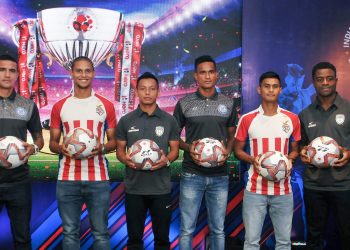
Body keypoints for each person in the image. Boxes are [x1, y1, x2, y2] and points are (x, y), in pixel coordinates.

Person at [49, 56, 116, 249]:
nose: (83, 74)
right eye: (79, 70)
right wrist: (61, 147)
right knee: (70, 233)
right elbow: (53, 143)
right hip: (67, 178)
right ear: (71, 73)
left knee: (101, 234)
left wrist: (102, 148)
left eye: (87, 70)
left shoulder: (105, 105)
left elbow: (114, 141)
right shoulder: (60, 106)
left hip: (98, 179)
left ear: (93, 73)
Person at [173, 55, 238, 250]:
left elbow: (232, 134)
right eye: (203, 72)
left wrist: (227, 150)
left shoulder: (228, 103)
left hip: (219, 176)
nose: (207, 76)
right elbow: (173, 137)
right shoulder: (185, 103)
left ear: (216, 75)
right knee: (186, 229)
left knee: (218, 229)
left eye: (211, 72)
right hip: (192, 173)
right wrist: (189, 148)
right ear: (196, 76)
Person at [234, 71, 301, 250]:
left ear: (280, 89)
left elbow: (295, 150)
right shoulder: (247, 119)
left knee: (284, 243)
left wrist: (290, 159)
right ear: (259, 89)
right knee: (251, 243)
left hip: (283, 191)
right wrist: (253, 160)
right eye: (266, 86)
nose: (270, 90)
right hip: (255, 190)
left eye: (274, 86)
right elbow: (237, 150)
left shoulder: (292, 118)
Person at [116, 72, 180, 250]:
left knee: (162, 240)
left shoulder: (169, 120)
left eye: (152, 89)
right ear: (136, 91)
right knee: (134, 240)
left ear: (158, 92)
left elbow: (174, 150)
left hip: (161, 189)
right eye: (143, 89)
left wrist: (166, 160)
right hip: (134, 189)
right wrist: (126, 160)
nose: (147, 93)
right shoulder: (126, 120)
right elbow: (120, 151)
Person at [299, 62, 350, 250]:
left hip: (343, 184)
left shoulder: (348, 109)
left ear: (336, 80)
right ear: (314, 82)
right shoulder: (305, 114)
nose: (325, 83)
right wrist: (303, 152)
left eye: (329, 78)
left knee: (345, 235)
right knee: (314, 236)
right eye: (320, 79)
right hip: (314, 185)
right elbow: (301, 144)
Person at [0, 54, 44, 250]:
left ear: (18, 74)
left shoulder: (27, 105)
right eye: (2, 70)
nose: (7, 74)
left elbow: (39, 139)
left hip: (19, 182)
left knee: (22, 238)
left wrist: (33, 147)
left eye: (11, 70)